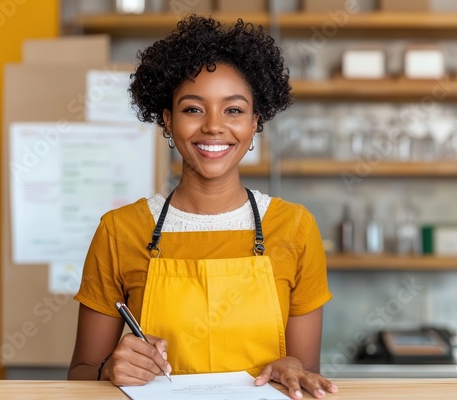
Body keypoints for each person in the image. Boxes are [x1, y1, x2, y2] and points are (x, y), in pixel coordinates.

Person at [68, 15, 338, 400]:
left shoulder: (293, 227)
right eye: (193, 109)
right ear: (167, 120)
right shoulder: (120, 231)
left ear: (255, 122)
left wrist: (293, 368)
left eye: (233, 110)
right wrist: (109, 368)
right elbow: (78, 376)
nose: (214, 126)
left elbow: (306, 375)